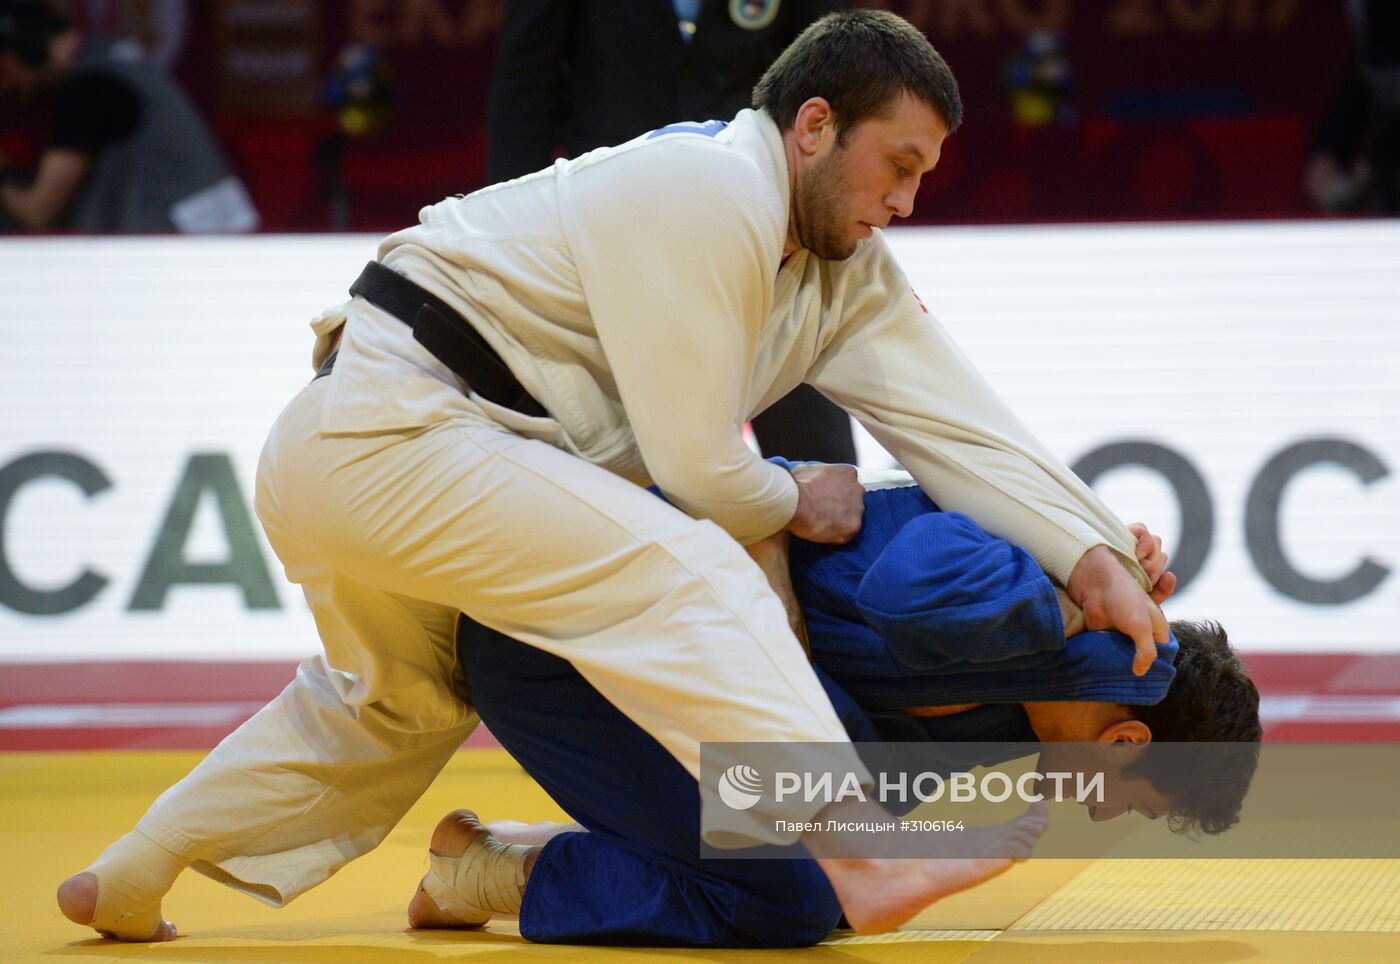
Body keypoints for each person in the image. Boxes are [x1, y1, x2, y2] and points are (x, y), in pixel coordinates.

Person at [58, 11, 1173, 943]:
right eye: (899, 165)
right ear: (813, 126)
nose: (907, 201)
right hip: (393, 425)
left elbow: (962, 422)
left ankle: (130, 872)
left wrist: (1093, 553)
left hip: (391, 456)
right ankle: (857, 848)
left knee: (391, 705)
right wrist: (793, 493)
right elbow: (695, 463)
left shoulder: (841, 275)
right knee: (692, 570)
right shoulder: (706, 184)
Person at [405, 470, 1258, 946]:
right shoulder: (1044, 581)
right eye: (1127, 799)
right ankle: (492, 874)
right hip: (558, 646)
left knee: (826, 870)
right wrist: (1072, 592)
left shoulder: (1021, 727)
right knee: (797, 899)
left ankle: (520, 851)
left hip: (649, 685)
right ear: (1129, 740)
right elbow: (903, 589)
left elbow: (852, 828)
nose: (1101, 810)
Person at [487, 0, 857, 463]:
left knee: (822, 471)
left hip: (767, 240)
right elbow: (523, 91)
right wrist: (512, 242)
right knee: (610, 474)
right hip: (612, 240)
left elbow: (836, 77)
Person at [0, 0, 257, 232]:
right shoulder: (109, 57)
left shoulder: (89, 86)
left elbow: (39, 212)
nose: (8, 84)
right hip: (215, 237)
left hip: (188, 252)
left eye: (5, 67)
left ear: (25, 48)